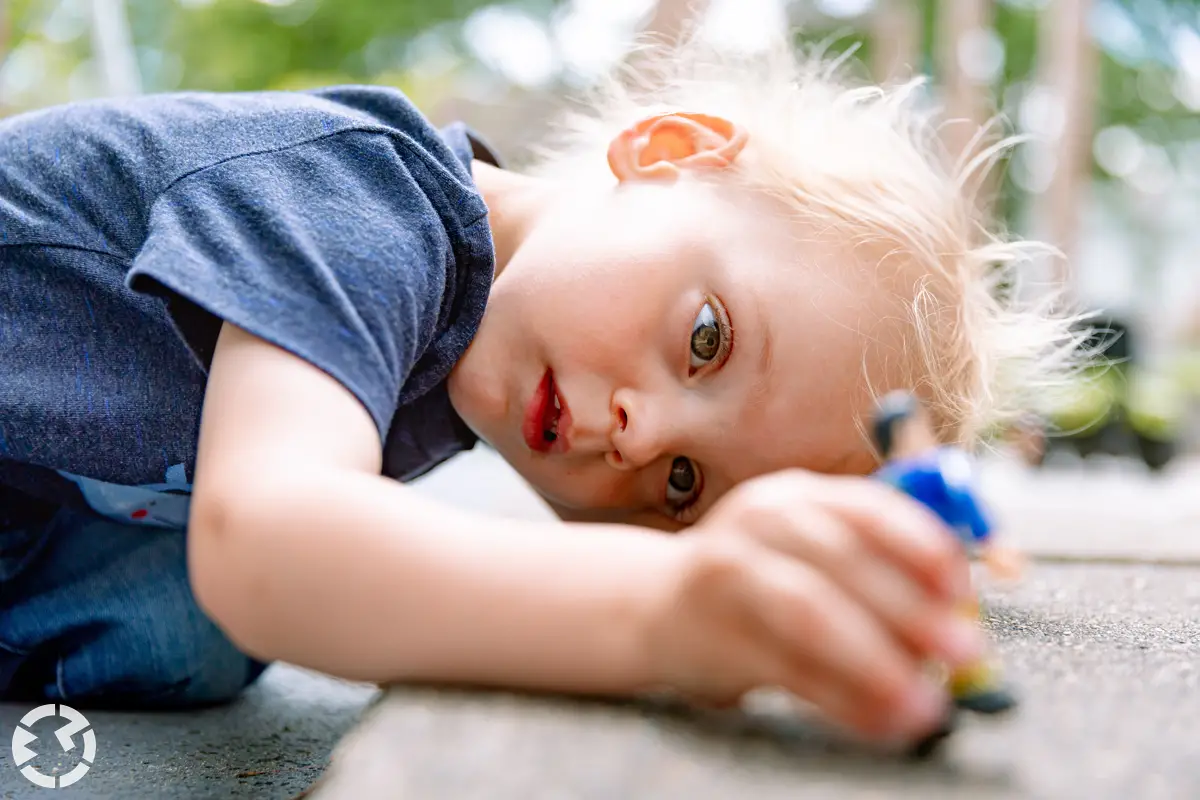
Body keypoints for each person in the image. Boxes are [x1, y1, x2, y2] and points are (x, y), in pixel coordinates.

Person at [0, 36, 1077, 747]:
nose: (638, 433)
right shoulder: (367, 198)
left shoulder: (456, 347)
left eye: (684, 485)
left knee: (203, 639)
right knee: (264, 592)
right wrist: (667, 611)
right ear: (670, 153)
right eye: (706, 338)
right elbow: (267, 542)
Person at [872, 391, 1025, 718]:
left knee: (958, 616)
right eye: (912, 429)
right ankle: (915, 686)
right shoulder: (896, 480)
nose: (920, 435)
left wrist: (991, 544)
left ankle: (967, 680)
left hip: (943, 560)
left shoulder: (940, 470)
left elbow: (968, 507)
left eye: (920, 428)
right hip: (910, 562)